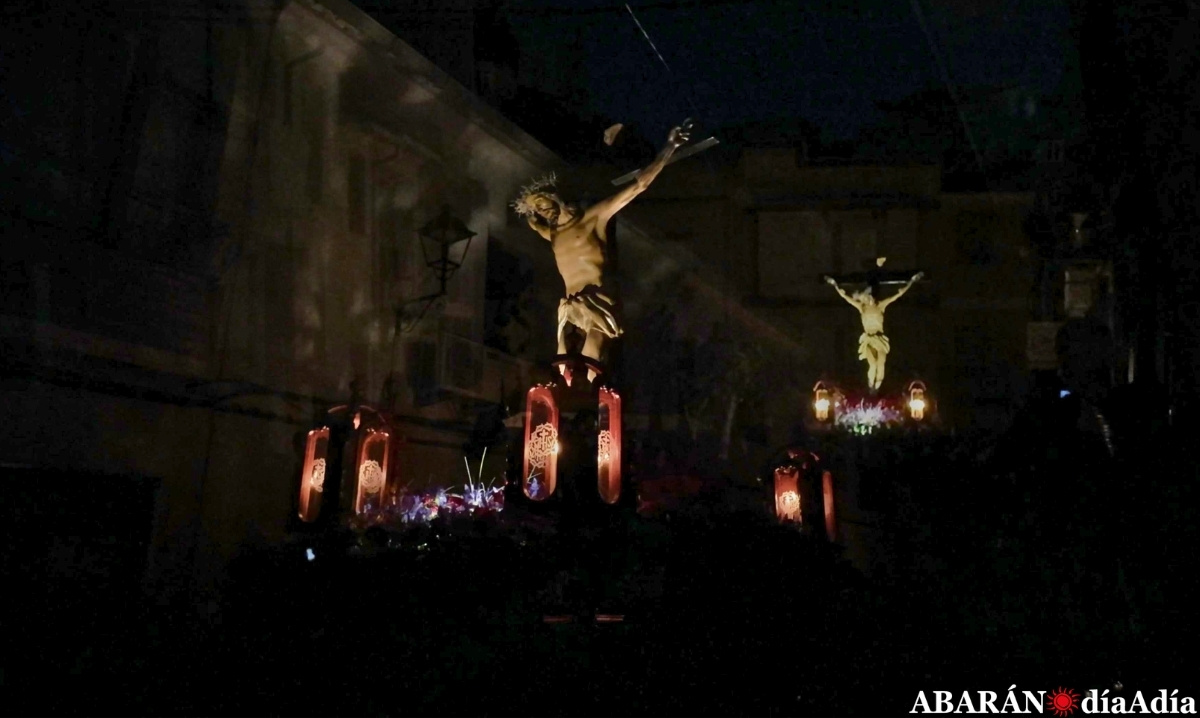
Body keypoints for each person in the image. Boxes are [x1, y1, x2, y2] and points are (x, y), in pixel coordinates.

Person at [512, 121, 692, 380]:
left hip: (598, 300)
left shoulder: (593, 218)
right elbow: (530, 222)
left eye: (544, 204)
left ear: (556, 198)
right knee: (563, 367)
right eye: (539, 210)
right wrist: (527, 207)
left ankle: (594, 401)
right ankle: (569, 407)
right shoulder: (552, 233)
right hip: (569, 305)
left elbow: (639, 186)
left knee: (590, 362)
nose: (542, 211)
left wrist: (669, 148)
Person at [824, 271, 923, 391]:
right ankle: (871, 385)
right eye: (867, 296)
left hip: (879, 339)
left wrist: (911, 282)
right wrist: (835, 285)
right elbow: (846, 297)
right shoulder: (862, 307)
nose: (869, 297)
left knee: (881, 364)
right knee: (873, 364)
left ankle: (877, 386)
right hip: (869, 339)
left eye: (870, 295)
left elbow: (897, 295)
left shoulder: (881, 305)